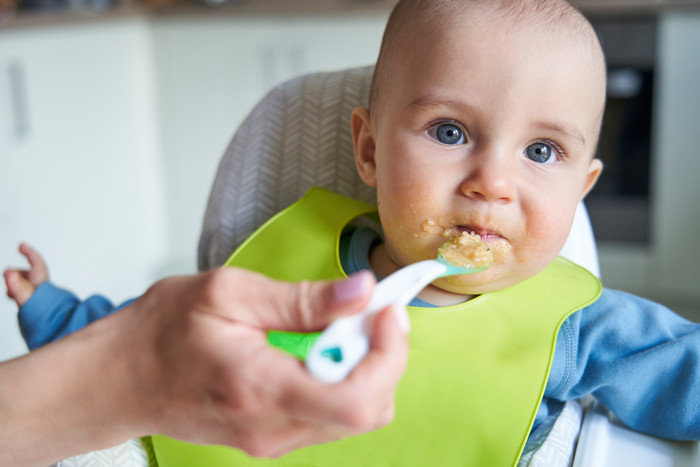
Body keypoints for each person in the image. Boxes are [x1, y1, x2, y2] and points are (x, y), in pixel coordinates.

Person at [6, 0, 700, 465]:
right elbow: (159, 346)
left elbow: (681, 372)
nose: (493, 182)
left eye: (541, 151)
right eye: (450, 132)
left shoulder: (577, 323)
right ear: (368, 151)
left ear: (583, 186)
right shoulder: (282, 267)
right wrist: (57, 311)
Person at [1, 245, 408, 467]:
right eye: (447, 133)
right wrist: (49, 308)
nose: (476, 181)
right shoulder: (268, 263)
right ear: (368, 151)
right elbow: (123, 336)